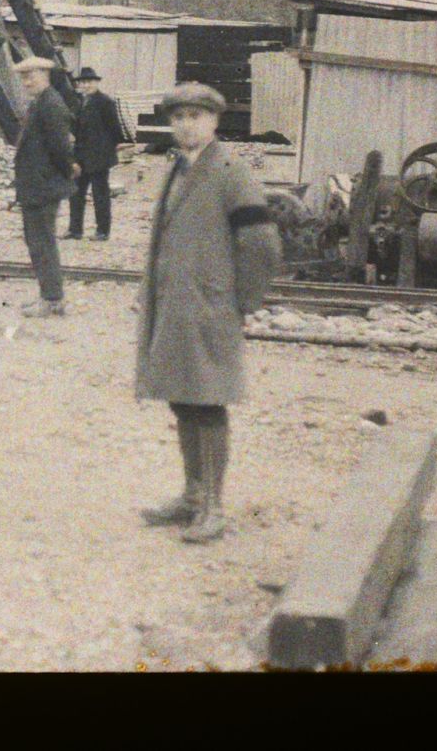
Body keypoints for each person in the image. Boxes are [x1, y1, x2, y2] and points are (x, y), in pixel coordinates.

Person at [135, 83, 281, 545]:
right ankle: (192, 496)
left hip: (210, 306)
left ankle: (214, 507)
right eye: (178, 117)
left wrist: (243, 301)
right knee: (183, 397)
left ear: (215, 122)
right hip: (179, 305)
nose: (186, 125)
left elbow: (261, 243)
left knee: (208, 402)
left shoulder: (230, 170)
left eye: (196, 116)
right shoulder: (180, 168)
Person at [12, 56, 77, 317]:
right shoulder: (41, 103)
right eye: (24, 77)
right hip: (37, 186)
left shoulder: (50, 105)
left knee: (42, 243)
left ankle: (51, 299)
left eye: (32, 76)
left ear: (45, 75)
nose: (27, 82)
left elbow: (60, 149)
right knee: (38, 242)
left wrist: (64, 173)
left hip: (42, 187)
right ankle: (49, 296)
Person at [66, 67, 127, 241]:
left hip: (99, 158)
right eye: (83, 82)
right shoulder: (79, 103)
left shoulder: (105, 102)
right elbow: (76, 129)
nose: (86, 85)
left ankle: (102, 231)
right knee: (76, 194)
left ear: (97, 82)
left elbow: (115, 130)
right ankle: (75, 230)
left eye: (89, 82)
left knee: (100, 195)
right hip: (81, 156)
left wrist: (106, 150)